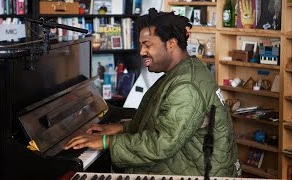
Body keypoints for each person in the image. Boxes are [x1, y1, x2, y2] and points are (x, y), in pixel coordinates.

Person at [64, 8, 241, 177]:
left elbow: (161, 144)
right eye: (141, 45)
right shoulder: (185, 70)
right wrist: (122, 128)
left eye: (147, 45)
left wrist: (106, 142)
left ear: (171, 43)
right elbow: (163, 122)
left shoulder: (186, 86)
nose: (141, 52)